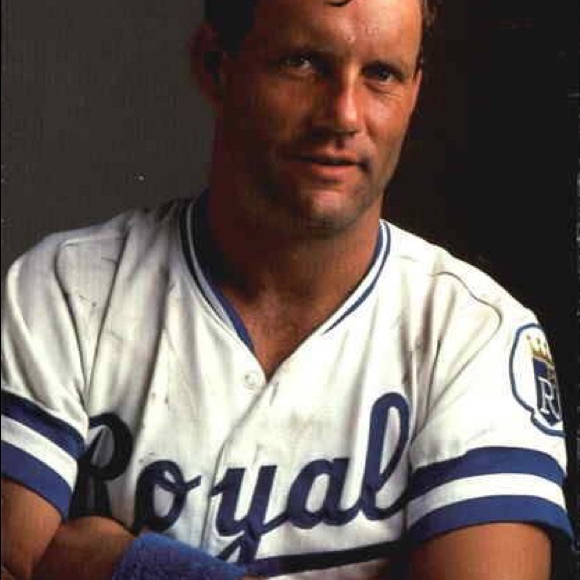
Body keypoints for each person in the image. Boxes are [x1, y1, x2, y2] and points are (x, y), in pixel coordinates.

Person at [1, 0, 572, 578]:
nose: (343, 114)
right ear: (215, 66)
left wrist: (135, 567)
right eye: (303, 63)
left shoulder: (475, 335)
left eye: (381, 74)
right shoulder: (66, 291)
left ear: (415, 91)